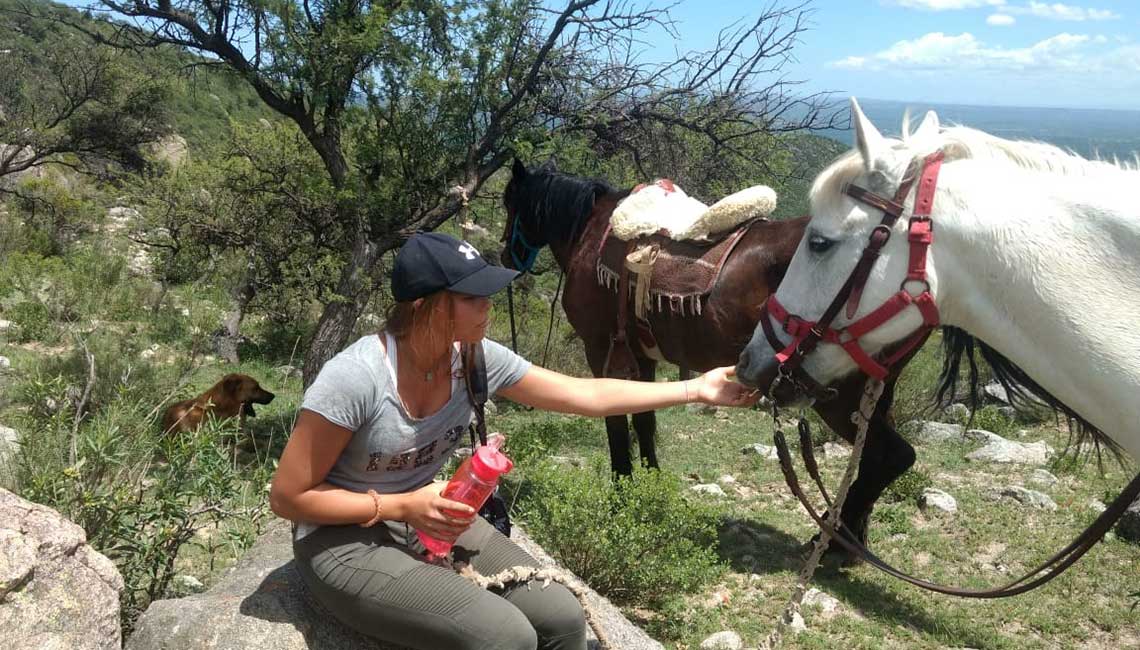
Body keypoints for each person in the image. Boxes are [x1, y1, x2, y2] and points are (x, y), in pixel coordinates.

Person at [269, 232, 759, 650]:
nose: (487, 306)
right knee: (505, 637)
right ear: (424, 306)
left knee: (563, 617)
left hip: (431, 520)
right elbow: (289, 497)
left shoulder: (473, 357)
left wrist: (696, 388)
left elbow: (580, 394)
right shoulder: (356, 379)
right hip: (344, 542)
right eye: (472, 297)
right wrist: (401, 506)